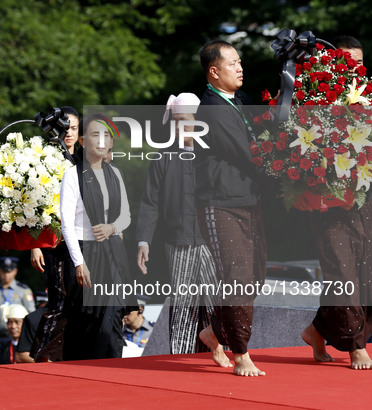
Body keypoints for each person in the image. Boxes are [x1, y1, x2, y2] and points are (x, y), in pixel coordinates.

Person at [301, 35, 372, 370]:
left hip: (364, 196)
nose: (354, 68)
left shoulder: (370, 97)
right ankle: (355, 345)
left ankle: (317, 331)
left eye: (358, 62)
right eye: (347, 61)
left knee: (363, 266)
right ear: (333, 62)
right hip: (326, 199)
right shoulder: (313, 94)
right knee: (341, 266)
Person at [194, 41, 267, 376]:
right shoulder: (212, 108)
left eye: (241, 62)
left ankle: (215, 332)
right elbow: (248, 154)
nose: (240, 68)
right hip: (220, 203)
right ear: (214, 71)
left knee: (254, 276)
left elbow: (266, 137)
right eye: (233, 63)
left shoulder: (241, 101)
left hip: (248, 200)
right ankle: (241, 353)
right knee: (237, 278)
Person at [136, 92, 217, 354]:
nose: (182, 126)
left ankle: (219, 352)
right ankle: (181, 359)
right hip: (178, 242)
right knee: (183, 304)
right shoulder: (163, 157)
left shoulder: (215, 156)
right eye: (177, 120)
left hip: (213, 242)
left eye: (188, 120)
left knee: (217, 303)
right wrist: (143, 241)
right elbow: (150, 202)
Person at [60, 114, 134, 361]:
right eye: (95, 134)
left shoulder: (115, 173)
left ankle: (114, 368)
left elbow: (126, 216)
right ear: (82, 141)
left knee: (111, 318)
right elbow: (67, 223)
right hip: (84, 253)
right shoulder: (72, 175)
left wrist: (112, 228)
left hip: (112, 253)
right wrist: (79, 262)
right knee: (85, 320)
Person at [29, 106, 79, 362]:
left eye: (73, 128)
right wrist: (34, 245)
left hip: (83, 241)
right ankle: (42, 354)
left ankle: (66, 356)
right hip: (54, 239)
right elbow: (30, 204)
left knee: (78, 301)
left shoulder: (85, 158)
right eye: (64, 128)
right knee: (60, 298)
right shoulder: (45, 158)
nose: (68, 133)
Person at [0, 256, 35, 338]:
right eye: (3, 271)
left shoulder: (23, 290)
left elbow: (31, 313)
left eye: (9, 272)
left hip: (17, 335)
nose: (6, 275)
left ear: (15, 271)